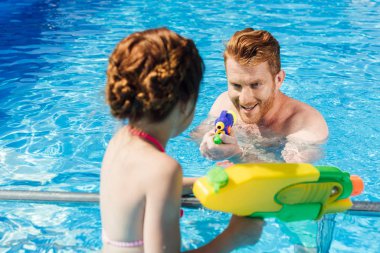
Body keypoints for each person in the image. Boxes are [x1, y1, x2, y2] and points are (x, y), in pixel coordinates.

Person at [100, 27, 263, 253]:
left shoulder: (121, 140)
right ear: (186, 104)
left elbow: (142, 189)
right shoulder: (163, 170)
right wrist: (235, 236)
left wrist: (203, 184)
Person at [196, 28, 328, 163]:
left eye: (255, 85)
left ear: (278, 80)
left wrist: (237, 156)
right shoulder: (224, 103)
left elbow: (288, 176)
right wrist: (208, 144)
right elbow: (197, 137)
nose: (244, 99)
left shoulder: (305, 125)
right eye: (236, 85)